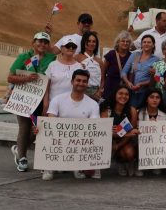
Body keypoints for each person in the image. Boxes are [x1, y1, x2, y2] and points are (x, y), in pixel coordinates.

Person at [8, 32, 57, 172]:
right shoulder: (24, 57)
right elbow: (10, 77)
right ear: (33, 42)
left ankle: (19, 148)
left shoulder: (52, 58)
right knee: (24, 127)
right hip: (25, 98)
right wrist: (26, 79)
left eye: (45, 42)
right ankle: (22, 158)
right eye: (39, 41)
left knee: (38, 130)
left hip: (42, 99)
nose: (42, 44)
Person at [43, 69, 101, 180]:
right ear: (72, 82)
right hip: (59, 138)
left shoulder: (93, 104)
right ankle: (49, 167)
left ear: (87, 84)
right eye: (78, 80)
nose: (81, 83)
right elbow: (50, 121)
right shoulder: (57, 99)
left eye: (84, 81)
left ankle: (77, 167)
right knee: (44, 133)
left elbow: (94, 126)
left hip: (81, 140)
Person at [100, 85, 139, 176]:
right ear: (115, 95)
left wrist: (118, 145)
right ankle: (120, 162)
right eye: (120, 93)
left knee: (129, 153)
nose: (123, 96)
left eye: (126, 94)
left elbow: (132, 133)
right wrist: (125, 134)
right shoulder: (107, 109)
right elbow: (105, 133)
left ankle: (129, 162)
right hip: (108, 140)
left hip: (125, 141)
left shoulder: (132, 110)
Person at [42, 36, 85, 113]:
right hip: (54, 107)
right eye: (68, 46)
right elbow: (46, 87)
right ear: (61, 48)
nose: (71, 48)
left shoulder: (80, 67)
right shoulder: (52, 65)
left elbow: (82, 87)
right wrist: (46, 104)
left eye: (73, 46)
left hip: (73, 107)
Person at [136, 88, 166, 176]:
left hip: (157, 145)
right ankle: (138, 162)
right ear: (146, 99)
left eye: (157, 97)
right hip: (140, 142)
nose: (155, 100)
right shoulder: (138, 113)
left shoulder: (164, 115)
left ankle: (156, 162)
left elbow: (165, 135)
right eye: (152, 97)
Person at [121, 35, 160, 107]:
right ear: (141, 44)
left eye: (149, 42)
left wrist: (141, 84)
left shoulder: (156, 59)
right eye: (144, 42)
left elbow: (157, 78)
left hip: (145, 92)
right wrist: (128, 82)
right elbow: (123, 72)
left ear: (153, 45)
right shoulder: (135, 55)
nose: (146, 44)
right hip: (131, 90)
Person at [75, 31, 105, 101]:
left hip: (96, 92)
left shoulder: (100, 61)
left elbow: (103, 79)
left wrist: (100, 91)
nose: (91, 44)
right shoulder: (77, 58)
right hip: (81, 91)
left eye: (94, 41)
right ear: (84, 43)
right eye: (89, 41)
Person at [103, 31, 132, 102]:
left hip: (124, 88)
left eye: (127, 41)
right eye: (123, 41)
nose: (125, 43)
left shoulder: (131, 56)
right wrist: (102, 85)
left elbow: (132, 73)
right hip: (110, 86)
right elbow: (103, 71)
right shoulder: (111, 54)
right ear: (118, 42)